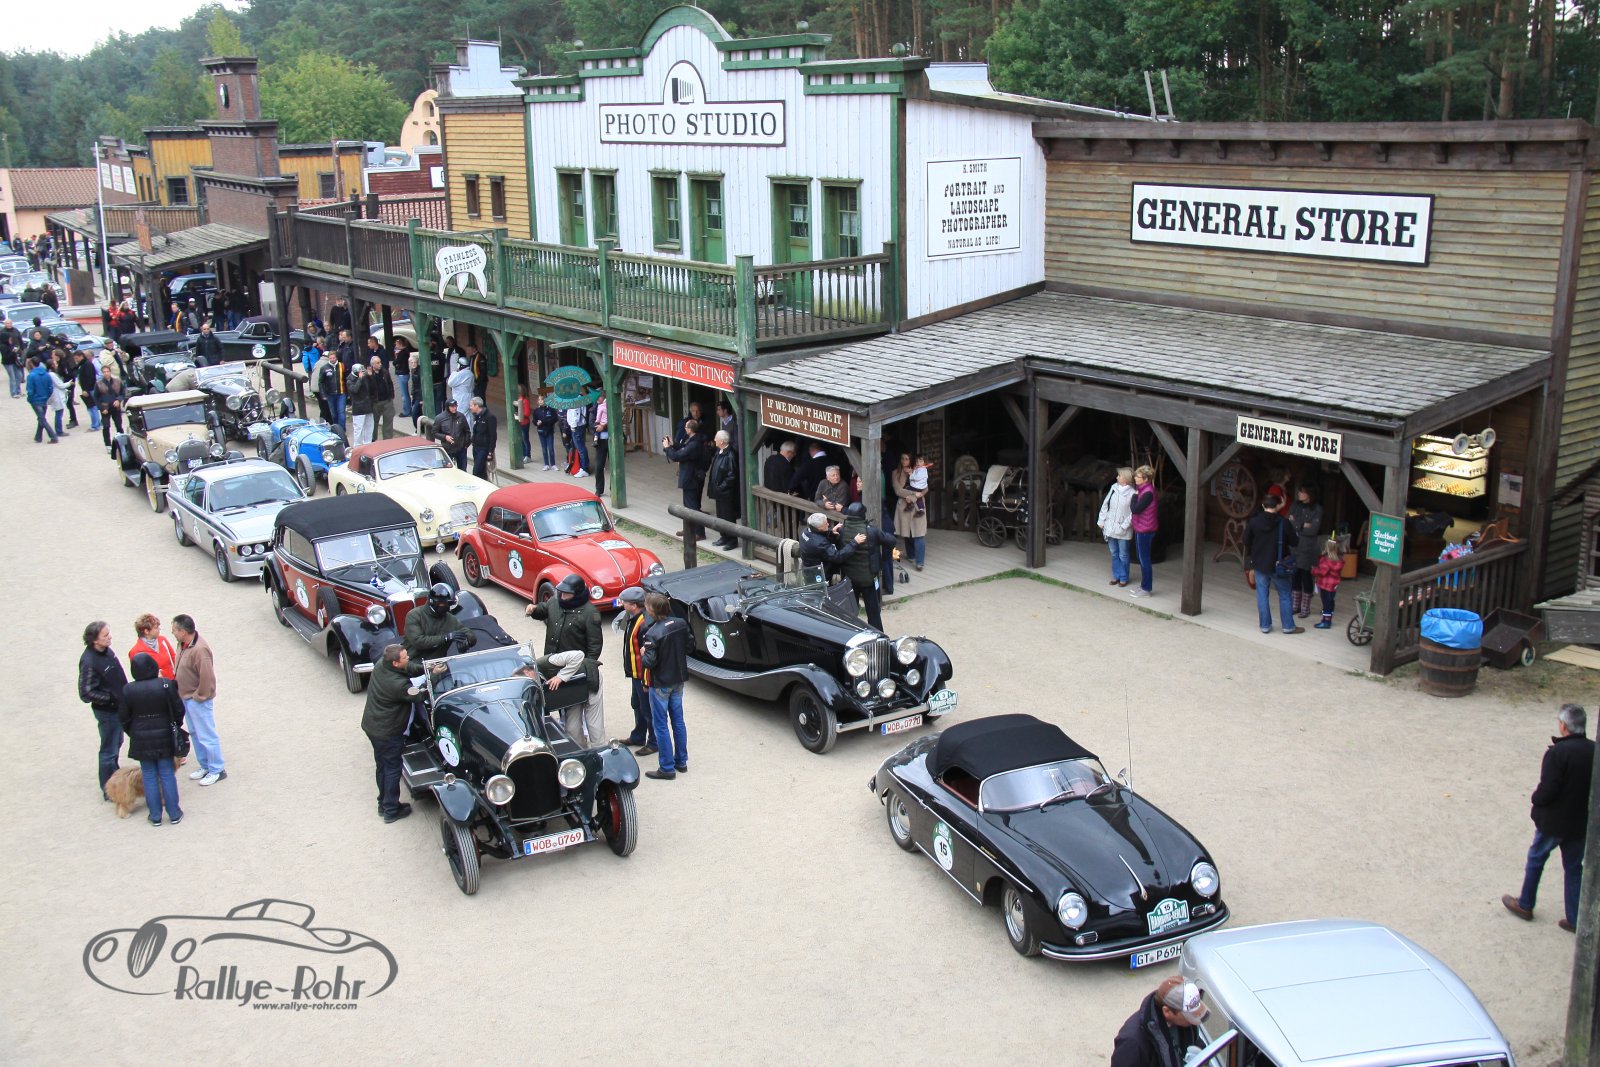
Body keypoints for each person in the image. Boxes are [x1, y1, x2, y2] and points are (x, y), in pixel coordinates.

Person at [1502, 704, 1594, 932]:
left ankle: (1525, 903)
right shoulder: (1594, 750)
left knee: (1536, 858)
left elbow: (1548, 789)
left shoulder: (1557, 753)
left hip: (1554, 822)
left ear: (1563, 726)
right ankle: (1575, 917)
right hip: (1580, 822)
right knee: (1574, 867)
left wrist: (1536, 799)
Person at [525, 574, 604, 728]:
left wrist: (585, 668)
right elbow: (544, 610)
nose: (563, 596)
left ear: (577, 593)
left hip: (575, 665)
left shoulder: (590, 612)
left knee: (576, 697)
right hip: (554, 661)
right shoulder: (555, 601)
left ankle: (583, 727)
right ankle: (564, 721)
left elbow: (595, 645)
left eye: (567, 593)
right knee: (559, 693)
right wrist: (534, 609)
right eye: (562, 592)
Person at [119, 652, 186, 827]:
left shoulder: (128, 690)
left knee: (148, 775)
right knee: (167, 773)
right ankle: (174, 813)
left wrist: (133, 732)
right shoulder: (165, 684)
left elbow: (124, 717)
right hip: (164, 735)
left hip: (140, 738)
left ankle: (155, 815)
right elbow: (179, 710)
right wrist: (174, 725)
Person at [363, 644, 416, 823]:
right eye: (405, 657)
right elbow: (417, 695)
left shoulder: (381, 664)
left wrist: (425, 667)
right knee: (393, 768)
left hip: (373, 727)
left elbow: (408, 667)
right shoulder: (398, 684)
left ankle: (383, 804)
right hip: (389, 732)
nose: (408, 658)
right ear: (395, 663)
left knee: (382, 766)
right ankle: (392, 809)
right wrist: (434, 675)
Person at [172, 614, 226, 786]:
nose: (172, 632)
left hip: (197, 700)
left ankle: (217, 769)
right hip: (187, 698)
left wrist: (198, 697)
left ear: (183, 631)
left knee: (207, 735)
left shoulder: (199, 650)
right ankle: (205, 766)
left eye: (174, 629)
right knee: (196, 734)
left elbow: (207, 678)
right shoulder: (183, 644)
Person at [640, 592, 689, 780]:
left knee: (660, 724)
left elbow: (649, 662)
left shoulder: (652, 633)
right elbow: (690, 646)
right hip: (678, 679)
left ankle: (667, 768)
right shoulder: (680, 623)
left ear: (652, 610)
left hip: (660, 683)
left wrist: (644, 653)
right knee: (678, 720)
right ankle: (681, 761)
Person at [1110, 976, 1210, 1067]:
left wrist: (1202, 1055)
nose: (1192, 1021)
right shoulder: (1132, 1043)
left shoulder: (1185, 1022)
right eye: (1188, 1016)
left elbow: (1195, 1041)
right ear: (1167, 1011)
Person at [78, 621, 128, 801]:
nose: (110, 637)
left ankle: (114, 778)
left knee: (116, 743)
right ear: (94, 640)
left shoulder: (107, 651)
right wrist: (111, 698)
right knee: (109, 750)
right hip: (108, 713)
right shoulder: (89, 661)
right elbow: (85, 693)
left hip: (118, 708)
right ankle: (108, 789)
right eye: (105, 635)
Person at [1243, 495, 1302, 635]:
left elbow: (1246, 541)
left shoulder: (1254, 522)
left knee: (1262, 595)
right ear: (1277, 506)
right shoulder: (1284, 522)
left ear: (1263, 506)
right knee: (1285, 595)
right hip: (1279, 565)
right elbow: (1295, 542)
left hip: (1259, 564)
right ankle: (1288, 626)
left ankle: (1265, 626)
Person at [839, 503, 896, 630]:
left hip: (849, 579)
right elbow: (891, 541)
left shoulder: (842, 530)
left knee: (850, 612)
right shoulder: (871, 531)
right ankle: (877, 635)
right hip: (868, 579)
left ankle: (849, 633)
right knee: (873, 611)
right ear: (862, 515)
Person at [614, 587, 653, 753]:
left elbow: (648, 655)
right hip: (635, 673)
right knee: (637, 705)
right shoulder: (633, 617)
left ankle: (654, 742)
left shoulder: (644, 623)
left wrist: (646, 680)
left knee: (647, 709)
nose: (622, 604)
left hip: (642, 675)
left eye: (625, 602)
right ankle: (638, 736)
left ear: (634, 605)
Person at [664, 419, 710, 542]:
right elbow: (684, 448)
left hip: (691, 478)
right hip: (692, 478)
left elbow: (677, 456)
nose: (684, 428)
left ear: (690, 429)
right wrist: (673, 444)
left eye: (686, 427)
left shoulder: (695, 444)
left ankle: (699, 532)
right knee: (688, 506)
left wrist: (667, 448)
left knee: (693, 507)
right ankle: (689, 529)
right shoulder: (694, 440)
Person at [403, 583, 471, 661]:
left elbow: (467, 632)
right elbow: (418, 641)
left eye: (450, 604)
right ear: (434, 602)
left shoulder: (449, 618)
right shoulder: (414, 615)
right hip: (413, 663)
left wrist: (466, 640)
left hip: (438, 664)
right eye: (445, 604)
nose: (448, 608)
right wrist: (445, 638)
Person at [1288, 486, 1324, 619]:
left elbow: (1313, 530)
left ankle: (1305, 607)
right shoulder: (1295, 505)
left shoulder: (1317, 509)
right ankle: (1295, 605)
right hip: (1294, 546)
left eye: (1302, 492)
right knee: (1295, 574)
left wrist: (1296, 524)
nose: (1299, 493)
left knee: (1306, 576)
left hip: (1308, 548)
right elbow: (1288, 521)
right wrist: (1303, 524)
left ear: (1310, 493)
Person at [1097, 467, 1135, 588]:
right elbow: (1105, 504)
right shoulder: (1113, 488)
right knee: (1114, 553)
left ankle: (1124, 577)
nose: (1117, 477)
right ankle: (1116, 575)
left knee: (1123, 554)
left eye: (1119, 475)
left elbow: (1133, 513)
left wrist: (1124, 526)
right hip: (1110, 526)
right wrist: (1102, 520)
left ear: (1126, 478)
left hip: (1123, 529)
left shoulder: (1133, 493)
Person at [798, 512, 863, 583]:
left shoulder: (805, 531)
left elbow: (817, 535)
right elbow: (837, 557)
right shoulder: (819, 543)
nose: (828, 524)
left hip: (808, 569)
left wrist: (831, 532)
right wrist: (854, 542)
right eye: (826, 524)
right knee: (823, 589)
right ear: (819, 528)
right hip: (818, 575)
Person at [890, 452, 927, 571]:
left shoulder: (918, 470)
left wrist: (915, 497)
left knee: (919, 533)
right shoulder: (896, 472)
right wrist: (913, 493)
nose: (904, 461)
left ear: (910, 460)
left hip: (918, 505)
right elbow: (898, 490)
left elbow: (925, 488)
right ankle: (911, 555)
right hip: (904, 505)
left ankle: (920, 563)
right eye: (902, 458)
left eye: (907, 459)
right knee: (907, 532)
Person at [707, 430, 741, 549]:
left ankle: (732, 540)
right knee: (721, 515)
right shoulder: (719, 451)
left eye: (716, 438)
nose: (714, 440)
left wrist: (720, 487)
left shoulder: (730, 455)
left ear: (722, 441)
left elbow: (732, 476)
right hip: (719, 493)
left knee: (728, 517)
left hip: (726, 494)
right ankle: (724, 537)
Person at [1129, 465, 1159, 598]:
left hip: (1145, 529)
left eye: (1138, 476)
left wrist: (1134, 497)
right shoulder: (1143, 490)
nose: (1135, 478)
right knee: (1142, 558)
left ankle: (1146, 589)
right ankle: (1143, 586)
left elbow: (1136, 509)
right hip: (1141, 528)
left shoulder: (1147, 493)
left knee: (1144, 559)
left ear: (1146, 479)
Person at [127, 613, 178, 679]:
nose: (159, 629)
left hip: (172, 682)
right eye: (156, 628)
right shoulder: (135, 652)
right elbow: (138, 675)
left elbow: (174, 658)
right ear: (146, 631)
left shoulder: (163, 640)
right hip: (155, 684)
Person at [1311, 538, 1344, 629]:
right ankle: (1328, 619)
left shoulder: (1326, 560)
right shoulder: (1339, 559)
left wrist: (1313, 569)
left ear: (1327, 547)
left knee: (1326, 603)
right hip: (1333, 584)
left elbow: (1321, 572)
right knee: (1330, 601)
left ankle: (1326, 622)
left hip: (1325, 584)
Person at [25, 357, 57, 443]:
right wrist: (47, 396)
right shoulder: (46, 374)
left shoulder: (31, 376)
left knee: (42, 419)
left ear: (31, 364)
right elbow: (50, 388)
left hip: (36, 400)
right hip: (44, 399)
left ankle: (53, 436)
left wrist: (30, 399)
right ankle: (38, 436)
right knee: (41, 418)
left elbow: (30, 390)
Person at [93, 365, 125, 449]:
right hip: (105, 408)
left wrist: (118, 400)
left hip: (116, 407)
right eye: (104, 372)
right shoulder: (99, 384)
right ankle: (108, 445)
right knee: (106, 426)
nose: (106, 373)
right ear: (102, 373)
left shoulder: (117, 381)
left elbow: (123, 393)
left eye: (107, 371)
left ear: (110, 372)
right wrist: (101, 408)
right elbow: (96, 398)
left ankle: (122, 443)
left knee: (119, 425)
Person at [433, 398, 470, 469]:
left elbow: (467, 431)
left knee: (463, 469)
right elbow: (434, 432)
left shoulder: (461, 416)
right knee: (448, 469)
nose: (454, 408)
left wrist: (466, 444)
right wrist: (445, 437)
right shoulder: (440, 418)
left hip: (461, 449)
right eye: (452, 406)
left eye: (456, 406)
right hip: (448, 449)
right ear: (447, 407)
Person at [368, 350, 396, 440]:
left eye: (380, 362)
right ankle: (373, 439)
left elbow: (390, 383)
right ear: (373, 364)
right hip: (375, 402)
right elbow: (367, 388)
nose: (380, 364)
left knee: (388, 421)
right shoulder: (369, 374)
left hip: (387, 400)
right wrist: (369, 377)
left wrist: (391, 395)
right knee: (374, 422)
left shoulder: (385, 372)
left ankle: (388, 440)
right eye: (378, 363)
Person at [469, 396, 497, 480]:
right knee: (481, 471)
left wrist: (490, 452)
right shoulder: (477, 416)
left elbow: (493, 435)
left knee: (476, 471)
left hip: (483, 448)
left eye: (471, 405)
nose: (470, 407)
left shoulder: (490, 417)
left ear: (477, 406)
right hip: (476, 447)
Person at [73, 348, 100, 432]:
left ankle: (95, 425)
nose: (76, 360)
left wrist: (86, 389)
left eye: (77, 358)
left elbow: (90, 378)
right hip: (88, 389)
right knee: (92, 407)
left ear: (81, 356)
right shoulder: (83, 364)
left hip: (89, 389)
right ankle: (97, 424)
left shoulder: (87, 364)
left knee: (92, 407)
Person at [533, 393, 559, 470]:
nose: (541, 401)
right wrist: (536, 423)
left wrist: (544, 422)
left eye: (542, 399)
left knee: (550, 448)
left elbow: (555, 418)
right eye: (539, 400)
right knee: (544, 448)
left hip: (549, 431)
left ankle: (553, 464)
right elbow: (534, 420)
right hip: (541, 431)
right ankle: (546, 464)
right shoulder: (536, 411)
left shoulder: (551, 409)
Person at [592, 392, 611, 495]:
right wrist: (597, 427)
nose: (598, 399)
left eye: (600, 397)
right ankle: (599, 489)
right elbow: (591, 423)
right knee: (599, 466)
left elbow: (615, 419)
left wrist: (604, 426)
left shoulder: (610, 406)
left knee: (614, 466)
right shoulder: (594, 408)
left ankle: (614, 489)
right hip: (600, 441)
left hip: (611, 439)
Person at [565, 402, 590, 476]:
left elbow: (575, 413)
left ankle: (584, 468)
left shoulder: (576, 400)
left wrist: (573, 426)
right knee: (580, 447)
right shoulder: (578, 399)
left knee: (580, 448)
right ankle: (582, 467)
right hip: (578, 426)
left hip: (577, 427)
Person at [1, 317, 23, 397]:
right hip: (8, 362)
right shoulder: (3, 345)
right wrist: (13, 352)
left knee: (19, 375)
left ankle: (18, 391)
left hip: (14, 360)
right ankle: (13, 393)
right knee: (12, 377)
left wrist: (20, 350)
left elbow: (20, 340)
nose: (9, 325)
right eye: (7, 323)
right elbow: (6, 356)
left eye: (10, 323)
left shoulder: (15, 330)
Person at [515, 384, 532, 465]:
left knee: (525, 439)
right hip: (519, 422)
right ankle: (523, 454)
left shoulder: (525, 401)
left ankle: (527, 455)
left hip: (525, 422)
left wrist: (520, 414)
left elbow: (527, 413)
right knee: (521, 439)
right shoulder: (518, 399)